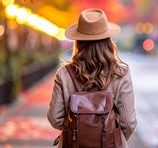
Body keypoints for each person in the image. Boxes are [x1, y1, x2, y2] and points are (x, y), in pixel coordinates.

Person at [47, 8, 137, 147]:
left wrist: (80, 131)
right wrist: (109, 135)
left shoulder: (64, 74)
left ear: (79, 41)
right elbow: (129, 123)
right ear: (108, 40)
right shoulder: (121, 74)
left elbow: (55, 118)